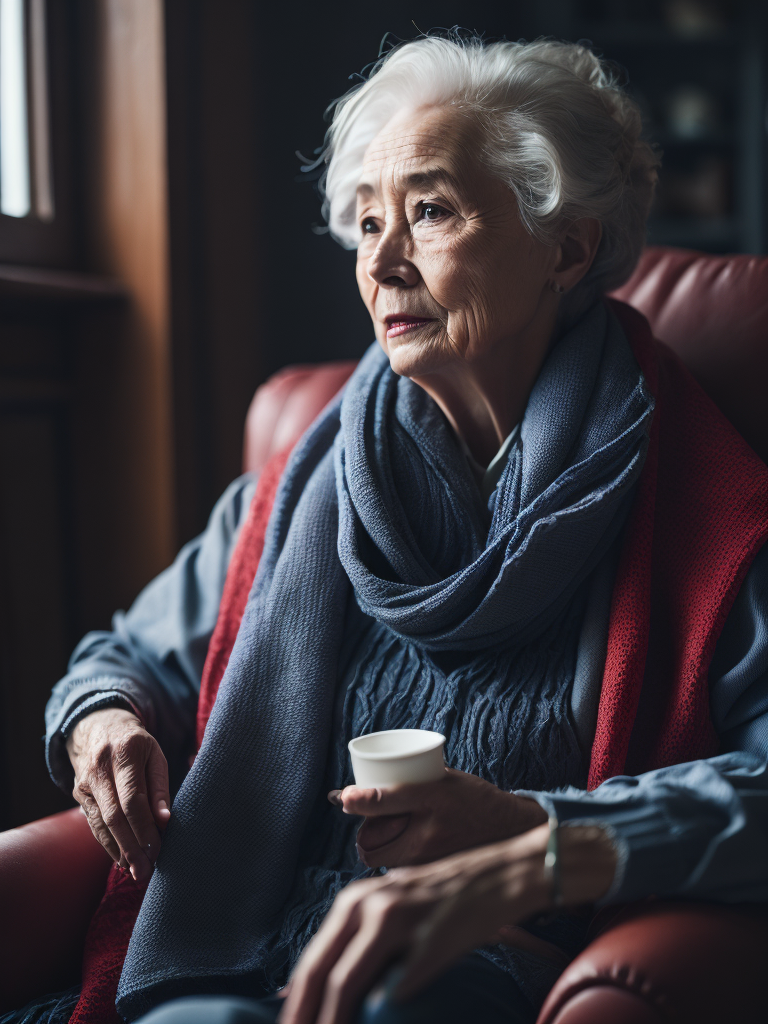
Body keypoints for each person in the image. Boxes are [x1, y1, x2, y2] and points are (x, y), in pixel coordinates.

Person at [9, 30, 767, 1024]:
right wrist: (105, 717)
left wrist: (535, 837)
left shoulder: (697, 500)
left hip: (483, 961)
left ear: (567, 247)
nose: (385, 261)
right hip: (247, 941)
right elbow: (127, 652)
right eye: (367, 223)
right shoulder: (307, 478)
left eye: (431, 212)